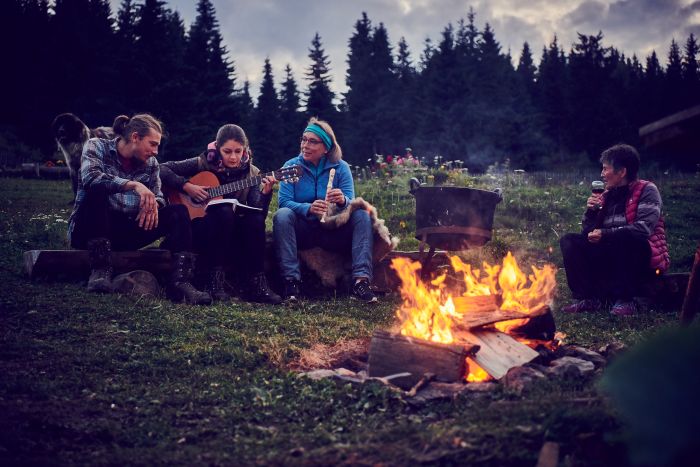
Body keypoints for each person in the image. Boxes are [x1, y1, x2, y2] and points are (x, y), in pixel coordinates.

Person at [67, 114, 212, 304]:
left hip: (127, 231)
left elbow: (158, 195)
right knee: (96, 190)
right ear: (135, 137)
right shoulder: (96, 146)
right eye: (152, 144)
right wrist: (134, 185)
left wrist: (154, 205)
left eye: (157, 145)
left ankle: (180, 282)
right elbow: (90, 178)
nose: (156, 151)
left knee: (178, 211)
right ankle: (101, 271)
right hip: (89, 231)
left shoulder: (151, 164)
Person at [159, 124, 281, 304]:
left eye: (238, 151)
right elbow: (161, 169)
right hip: (200, 228)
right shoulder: (202, 163)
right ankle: (213, 280)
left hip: (232, 233)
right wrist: (187, 186)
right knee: (223, 212)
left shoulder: (252, 173)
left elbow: (258, 212)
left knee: (253, 219)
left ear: (245, 150)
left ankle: (257, 283)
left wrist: (266, 192)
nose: (233, 157)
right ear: (217, 149)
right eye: (227, 151)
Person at [273, 117, 377, 303]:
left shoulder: (341, 167)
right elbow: (284, 202)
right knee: (282, 215)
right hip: (304, 230)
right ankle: (291, 282)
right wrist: (308, 208)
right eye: (304, 139)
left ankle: (361, 282)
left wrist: (343, 201)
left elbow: (350, 204)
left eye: (312, 141)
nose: (305, 145)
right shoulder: (290, 166)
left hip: (333, 231)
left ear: (326, 148)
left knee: (362, 214)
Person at [559, 143, 669, 316]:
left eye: (605, 169)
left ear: (622, 171)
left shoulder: (647, 190)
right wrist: (591, 212)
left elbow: (642, 229)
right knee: (569, 241)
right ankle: (588, 298)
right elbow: (588, 233)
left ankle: (627, 300)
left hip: (640, 259)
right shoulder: (606, 195)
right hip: (611, 257)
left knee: (626, 239)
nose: (602, 174)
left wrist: (605, 234)